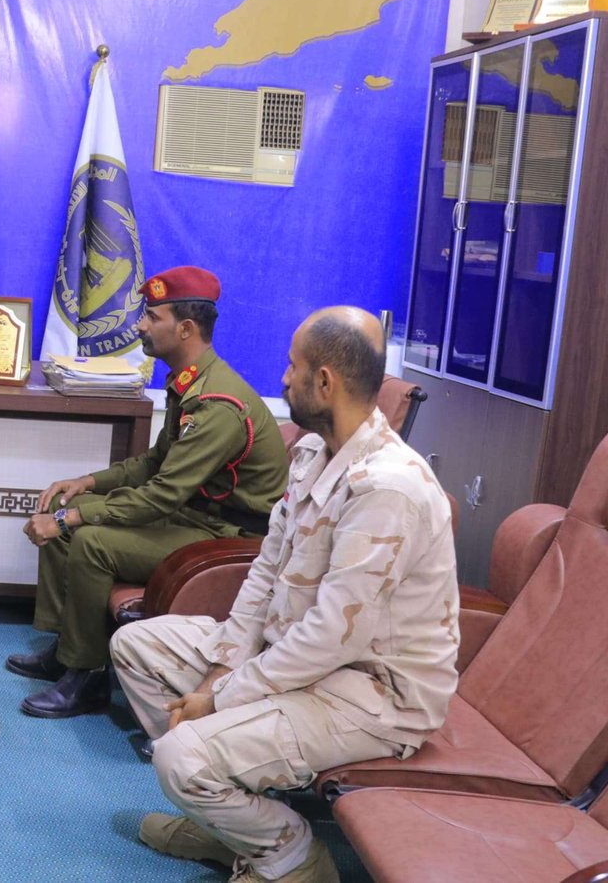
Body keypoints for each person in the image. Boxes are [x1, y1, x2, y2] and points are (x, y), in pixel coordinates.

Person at [111, 307, 459, 883]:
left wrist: (220, 699)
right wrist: (223, 669)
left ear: (324, 382)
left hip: (371, 694)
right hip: (295, 655)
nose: (283, 378)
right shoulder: (313, 452)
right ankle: (236, 825)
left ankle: (292, 856)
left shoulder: (388, 487)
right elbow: (266, 573)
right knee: (136, 648)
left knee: (180, 755)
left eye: (293, 367)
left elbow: (332, 639)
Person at [9, 265, 288, 719]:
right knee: (70, 505)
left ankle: (88, 678)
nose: (140, 325)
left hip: (228, 535)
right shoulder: (190, 383)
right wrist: (86, 485)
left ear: (186, 329)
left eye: (152, 317)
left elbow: (161, 495)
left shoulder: (218, 405)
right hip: (195, 516)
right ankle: (67, 651)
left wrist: (69, 520)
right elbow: (154, 463)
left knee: (90, 539)